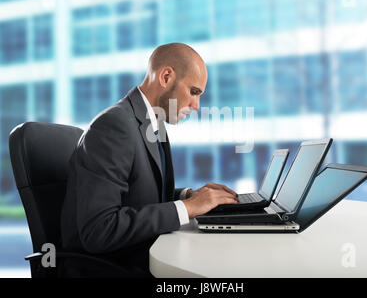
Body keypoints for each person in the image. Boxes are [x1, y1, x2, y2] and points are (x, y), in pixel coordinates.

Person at [60, 43, 238, 277]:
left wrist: (188, 197)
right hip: (116, 267)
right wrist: (187, 209)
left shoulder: (154, 124)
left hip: (143, 253)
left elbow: (135, 196)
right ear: (166, 77)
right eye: (194, 92)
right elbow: (99, 230)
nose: (196, 106)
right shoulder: (114, 126)